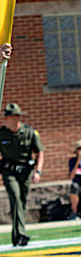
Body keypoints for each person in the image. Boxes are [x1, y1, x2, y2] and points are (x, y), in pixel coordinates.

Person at [0, 103, 44, 247]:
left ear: (16, 118)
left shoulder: (29, 132)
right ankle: (21, 233)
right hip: (9, 172)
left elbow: (40, 153)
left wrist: (38, 172)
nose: (5, 120)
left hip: (25, 172)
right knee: (16, 197)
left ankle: (16, 236)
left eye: (8, 117)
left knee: (21, 202)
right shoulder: (2, 133)